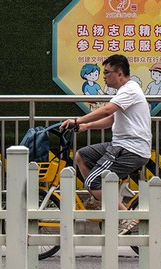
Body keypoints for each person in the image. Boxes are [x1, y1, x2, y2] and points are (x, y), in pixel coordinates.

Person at [61, 54, 152, 229]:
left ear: (120, 73)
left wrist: (77, 120)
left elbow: (106, 111)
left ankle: (127, 217)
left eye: (107, 72)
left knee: (92, 182)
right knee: (82, 156)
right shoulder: (124, 91)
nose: (103, 76)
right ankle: (100, 197)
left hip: (130, 149)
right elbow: (111, 119)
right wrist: (86, 126)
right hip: (120, 145)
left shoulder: (130, 90)